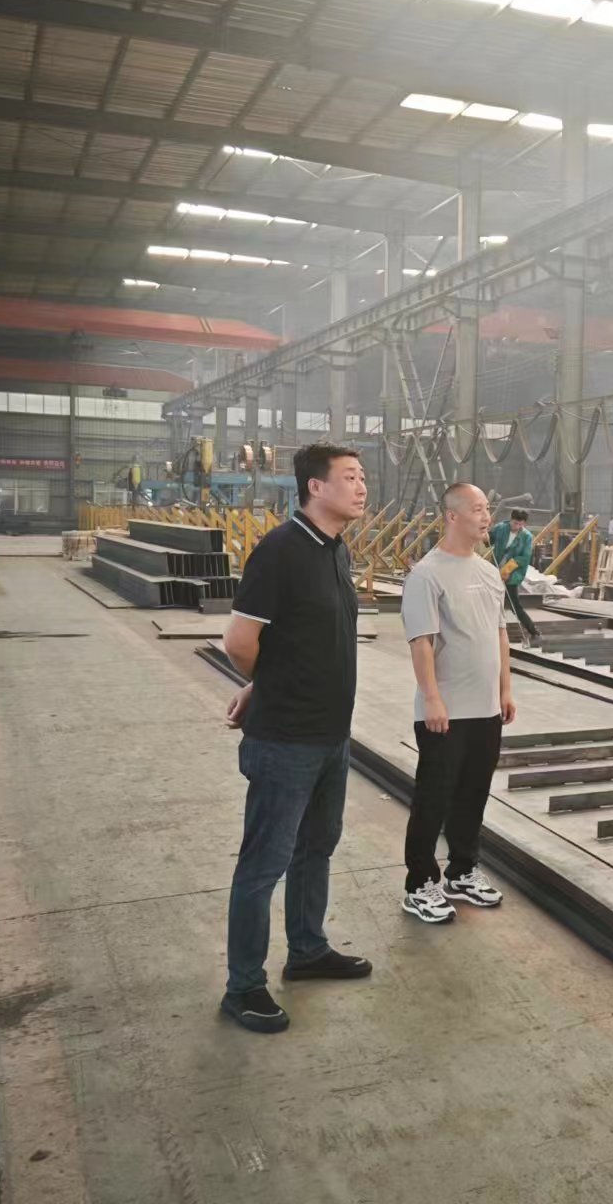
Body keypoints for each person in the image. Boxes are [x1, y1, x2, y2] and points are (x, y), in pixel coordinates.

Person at [216, 441, 371, 1034]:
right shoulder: (281, 549)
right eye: (350, 477)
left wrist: (261, 684)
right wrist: (268, 690)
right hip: (285, 742)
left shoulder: (336, 550)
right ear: (315, 487)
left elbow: (300, 639)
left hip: (331, 736)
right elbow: (240, 642)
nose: (361, 486)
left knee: (316, 848)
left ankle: (306, 950)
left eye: (362, 476)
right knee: (264, 864)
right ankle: (243, 987)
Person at [400, 484, 518, 923]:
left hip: (486, 710)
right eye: (477, 509)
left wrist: (505, 690)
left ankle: (462, 871)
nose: (486, 517)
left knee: (473, 796)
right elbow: (421, 642)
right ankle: (419, 884)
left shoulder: (488, 572)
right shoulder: (427, 574)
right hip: (445, 712)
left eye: (488, 509)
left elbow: (500, 635)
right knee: (433, 799)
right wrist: (432, 698)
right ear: (452, 516)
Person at [489, 508, 538, 645]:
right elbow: (489, 541)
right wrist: (485, 535)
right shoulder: (500, 528)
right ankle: (489, 631)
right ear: (511, 520)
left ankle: (534, 631)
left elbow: (525, 557)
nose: (518, 527)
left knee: (514, 605)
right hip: (495, 570)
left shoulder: (526, 536)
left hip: (512, 573)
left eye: (521, 524)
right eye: (516, 523)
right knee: (490, 601)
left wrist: (508, 569)